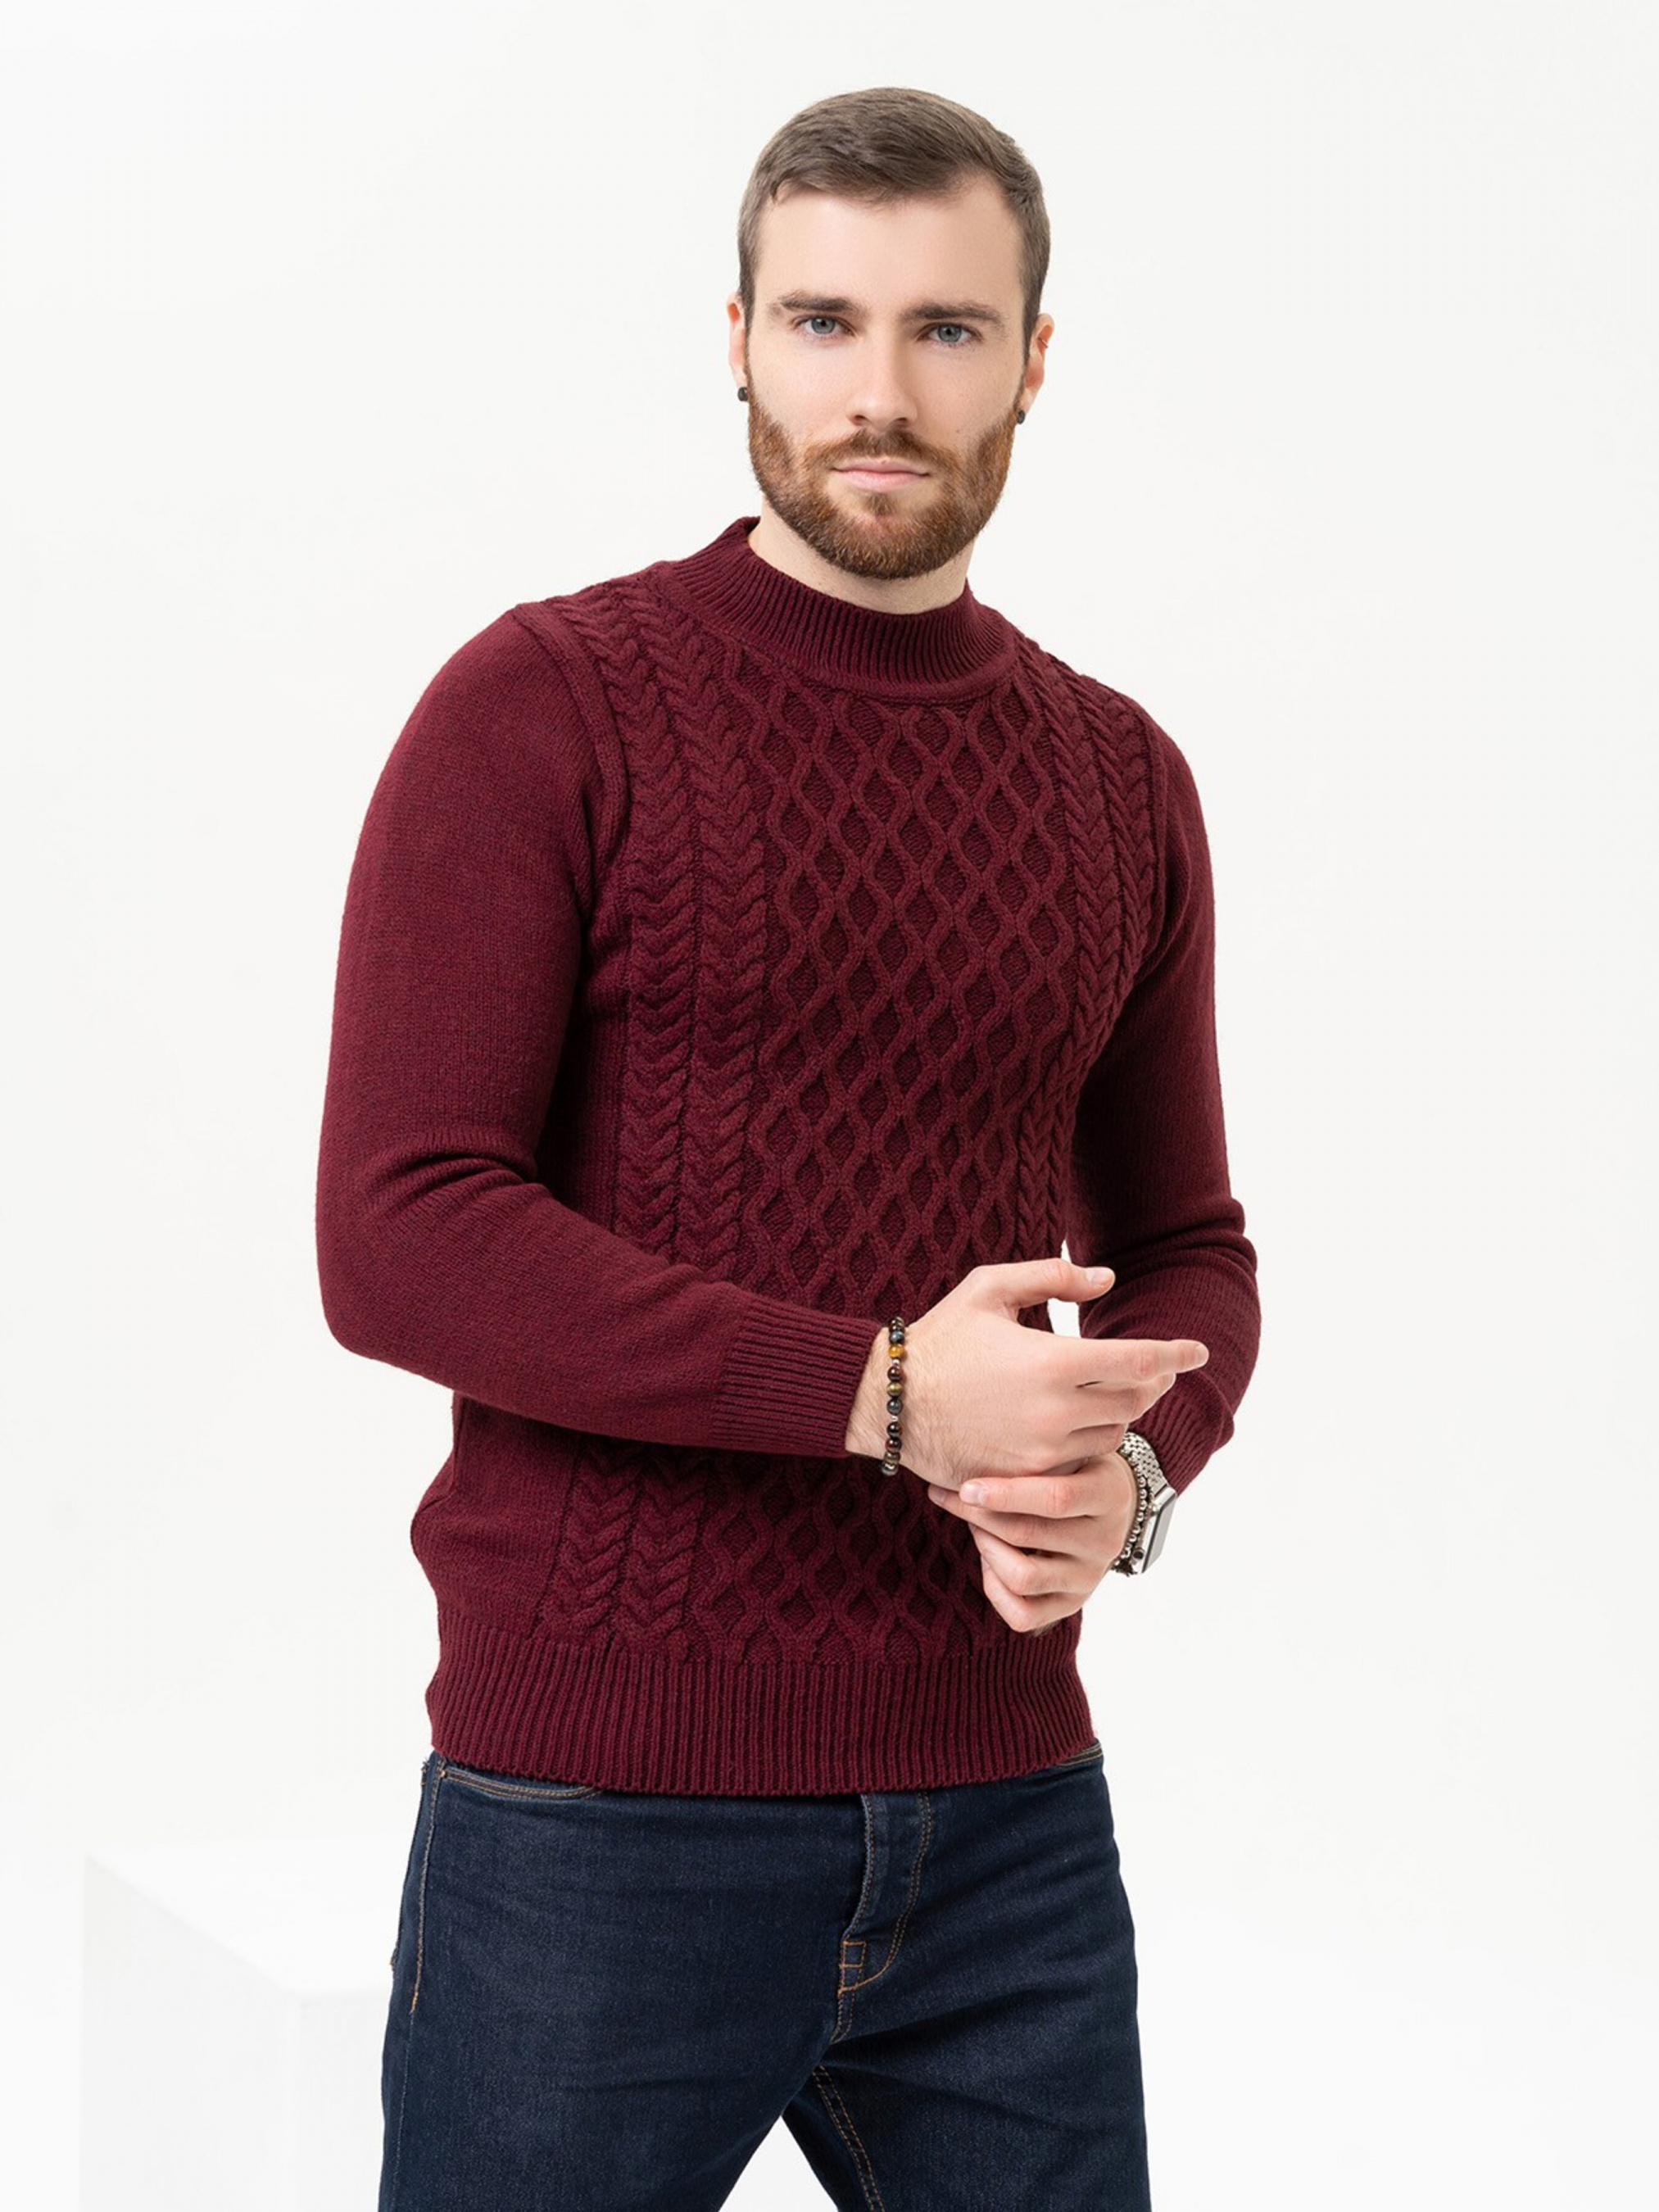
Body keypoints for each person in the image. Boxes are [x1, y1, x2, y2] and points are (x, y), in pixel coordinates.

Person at [316, 82, 1260, 2212]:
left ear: (1033, 359)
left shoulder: (1120, 776)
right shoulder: (545, 707)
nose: (880, 391)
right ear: (737, 337)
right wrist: (890, 1393)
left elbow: (1192, 1242)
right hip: (598, 1812)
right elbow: (400, 1231)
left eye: (947, 329)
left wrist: (1121, 1474)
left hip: (1005, 1816)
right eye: (825, 321)